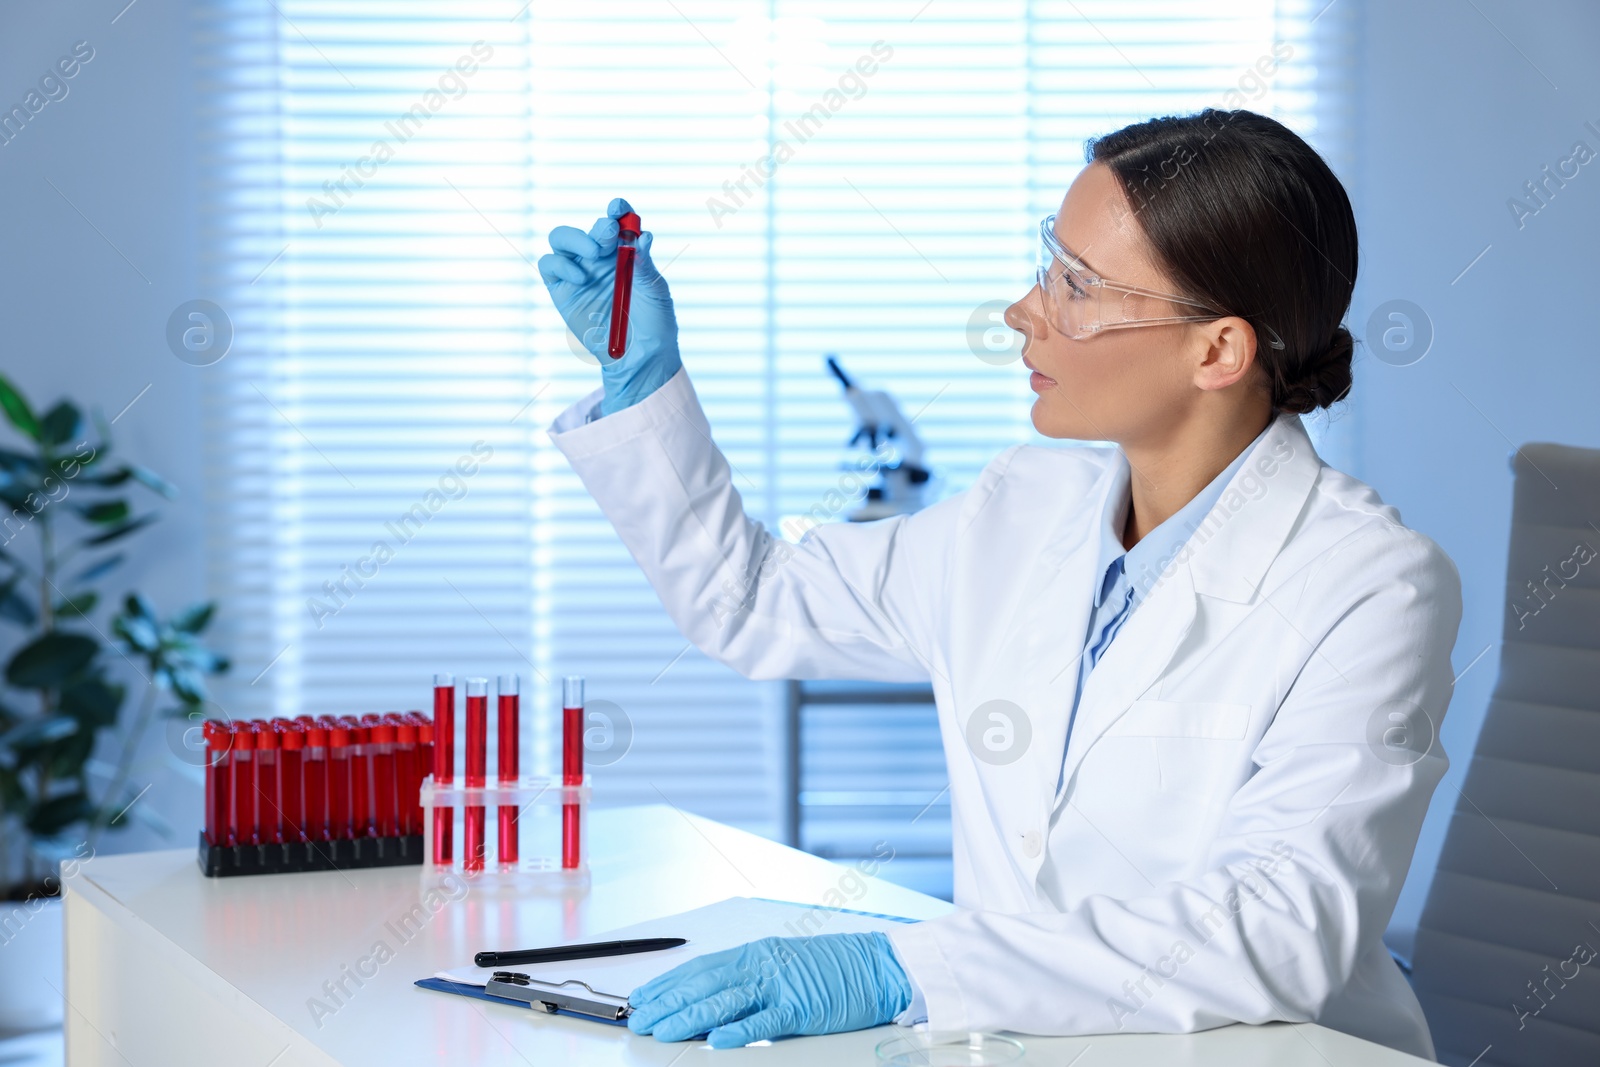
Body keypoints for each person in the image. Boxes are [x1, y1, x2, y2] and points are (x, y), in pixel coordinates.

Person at [536, 108, 1462, 1060]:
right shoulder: (1023, 507)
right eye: (1047, 263)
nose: (1026, 309)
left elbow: (1279, 927)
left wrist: (909, 970)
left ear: (1216, 352)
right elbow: (753, 601)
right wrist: (643, 384)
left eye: (1077, 286)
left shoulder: (1370, 584)